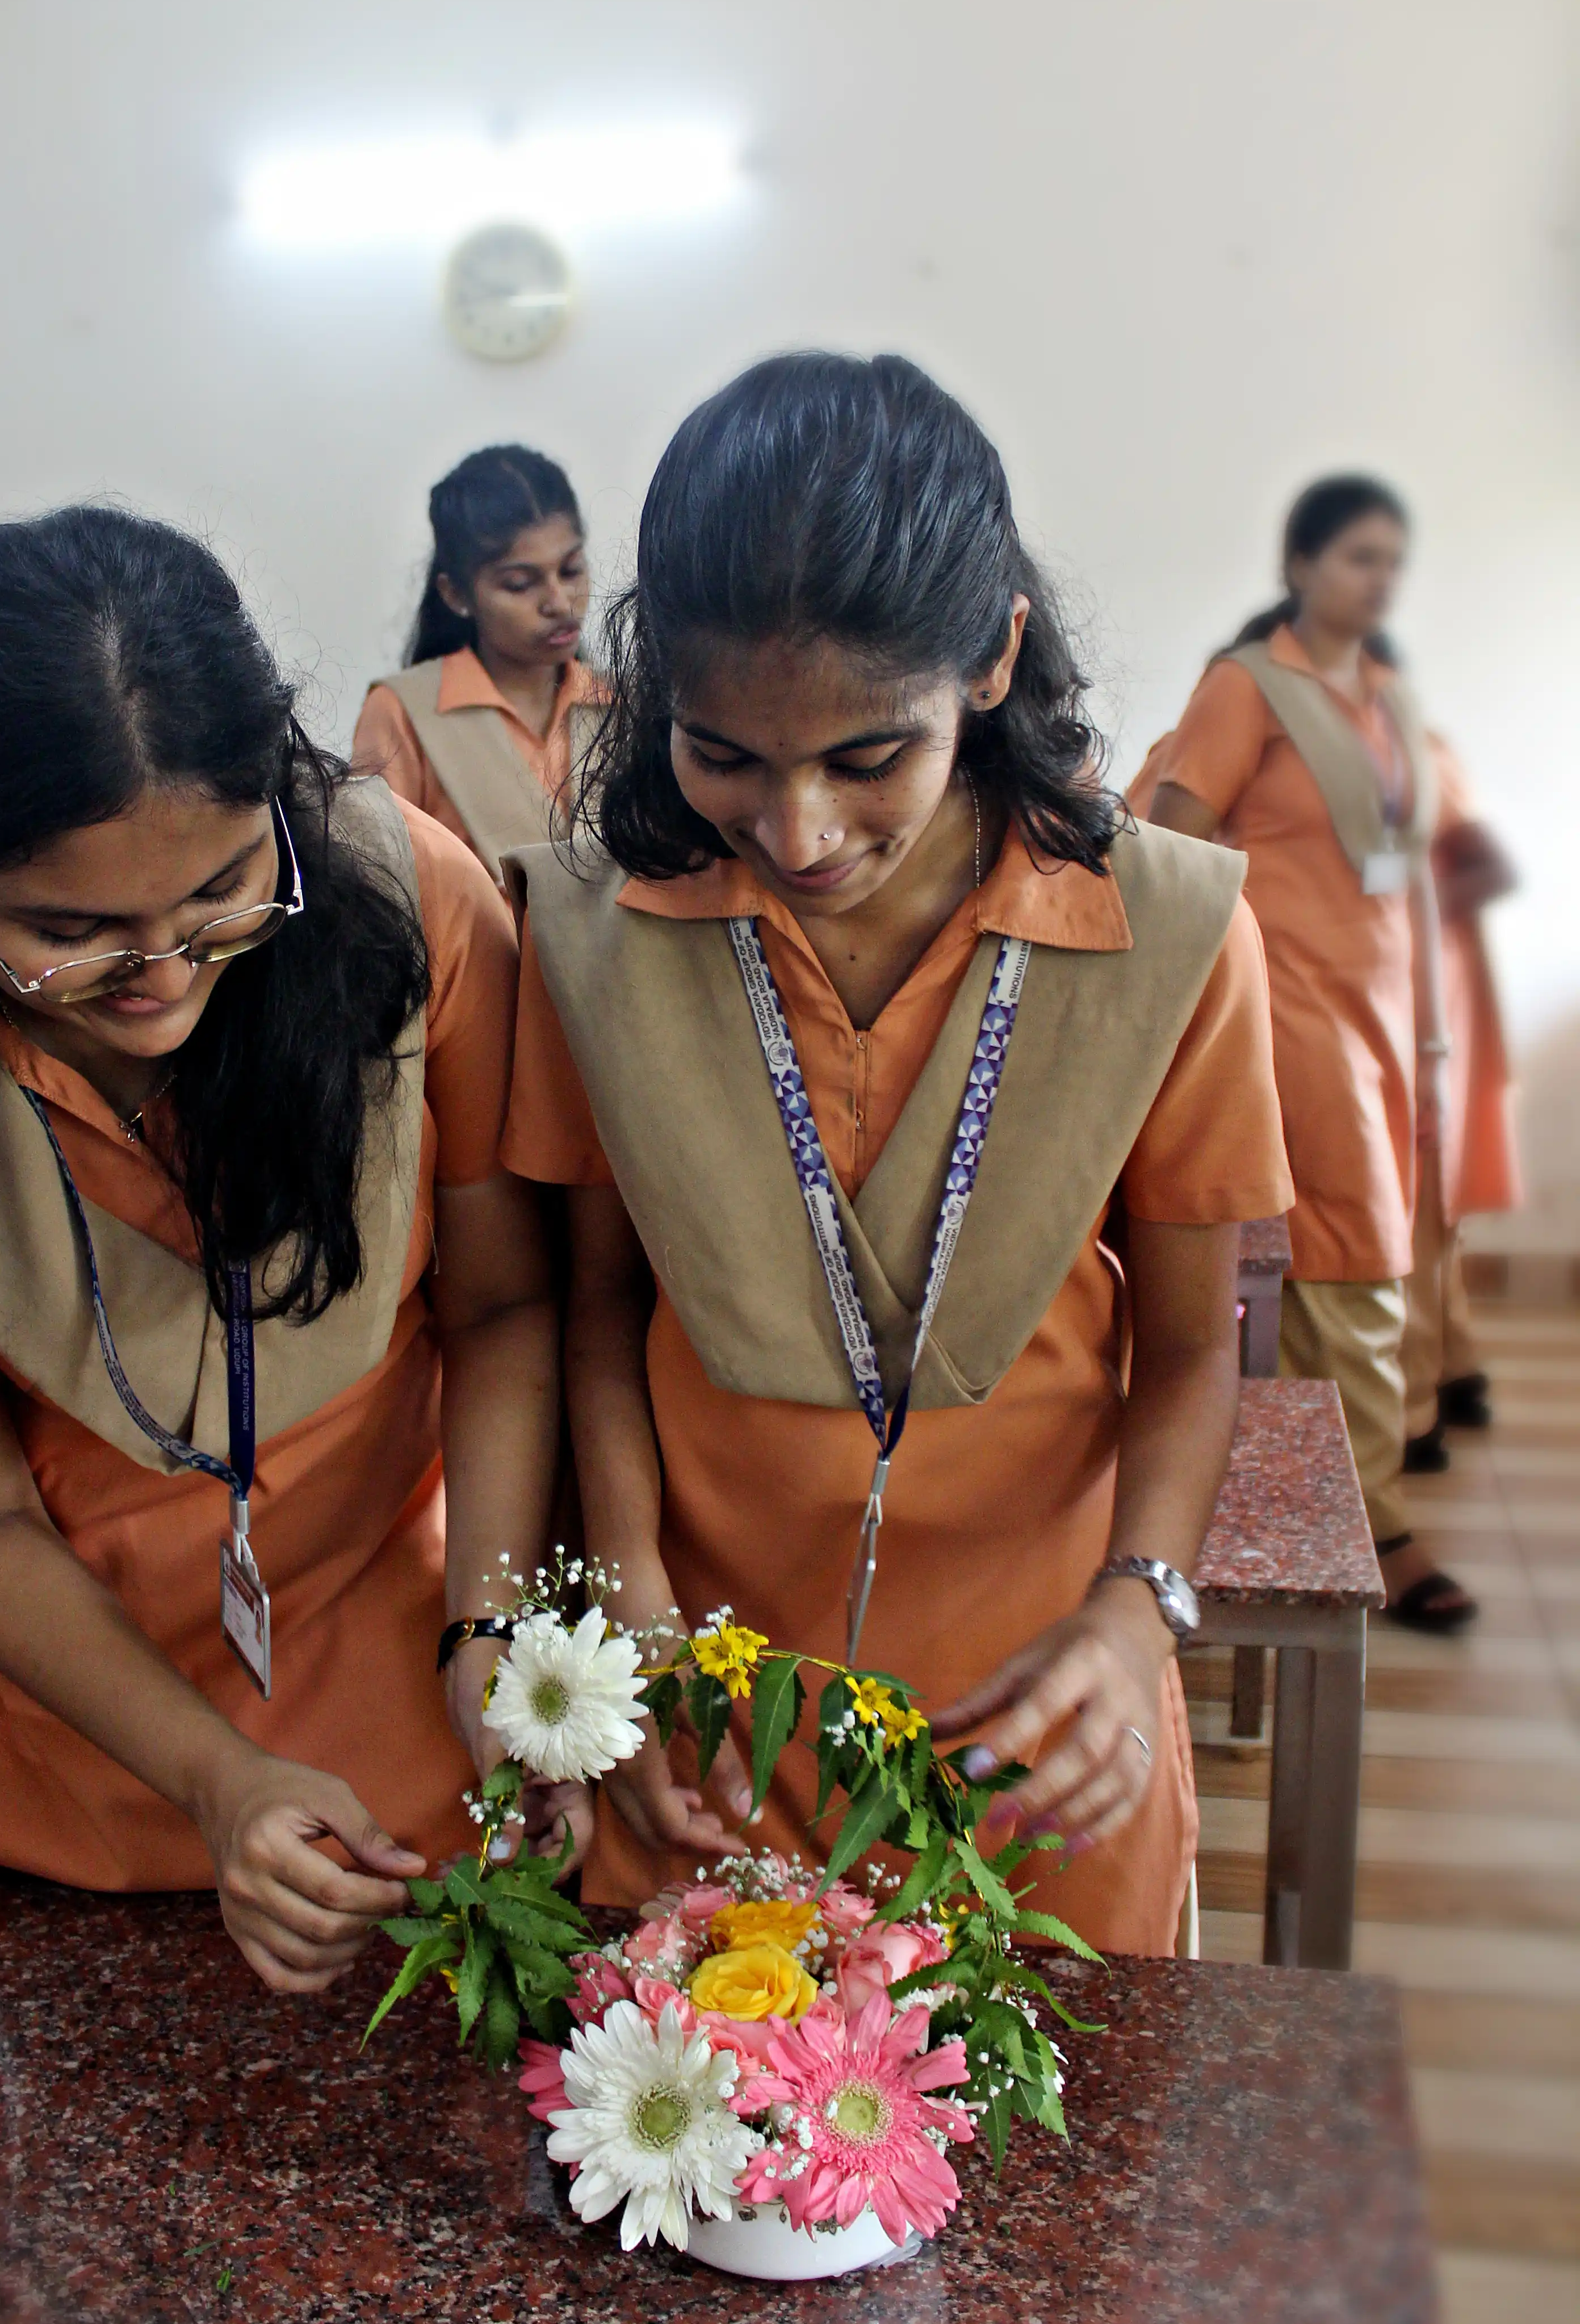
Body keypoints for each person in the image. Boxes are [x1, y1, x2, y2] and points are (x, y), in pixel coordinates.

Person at [496, 353, 1291, 1956]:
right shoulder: (593, 930)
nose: (795, 833)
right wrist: (636, 1614)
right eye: (725, 756)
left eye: (869, 759)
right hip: (707, 1718)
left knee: (1044, 2166)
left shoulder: (1170, 930)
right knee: (693, 2154)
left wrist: (1137, 1617)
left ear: (990, 658)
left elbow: (1197, 1348)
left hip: (1035, 1715)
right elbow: (595, 1311)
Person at [0, 509, 564, 1996]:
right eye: (68, 933)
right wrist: (219, 1780)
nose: (166, 977)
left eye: (220, 895)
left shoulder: (400, 901)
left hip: (429, 1728)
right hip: (87, 1780)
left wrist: (495, 1631)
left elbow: (506, 1308)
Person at [1148, 476, 1474, 1632]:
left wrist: (1434, 1030)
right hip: (1290, 1012)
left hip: (1380, 1015)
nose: (1378, 580)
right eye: (1356, 558)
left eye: (1392, 559)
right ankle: (1364, 1516)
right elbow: (1171, 838)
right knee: (1351, 1259)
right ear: (1300, 565)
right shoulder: (1250, 690)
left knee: (1366, 1258)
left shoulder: (1386, 695)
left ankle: (1311, 1501)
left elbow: (1414, 875)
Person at [352, 447, 608, 886]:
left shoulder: (619, 706)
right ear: (456, 596)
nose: (559, 603)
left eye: (571, 571)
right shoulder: (404, 712)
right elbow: (377, 891)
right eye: (520, 584)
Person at [1401, 730, 1521, 1470]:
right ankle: (1459, 1372)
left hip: (1417, 1005)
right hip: (1422, 1000)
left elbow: (1492, 868)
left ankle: (1414, 1414)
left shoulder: (1398, 746)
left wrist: (1382, 908)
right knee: (1428, 1211)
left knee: (1409, 1210)